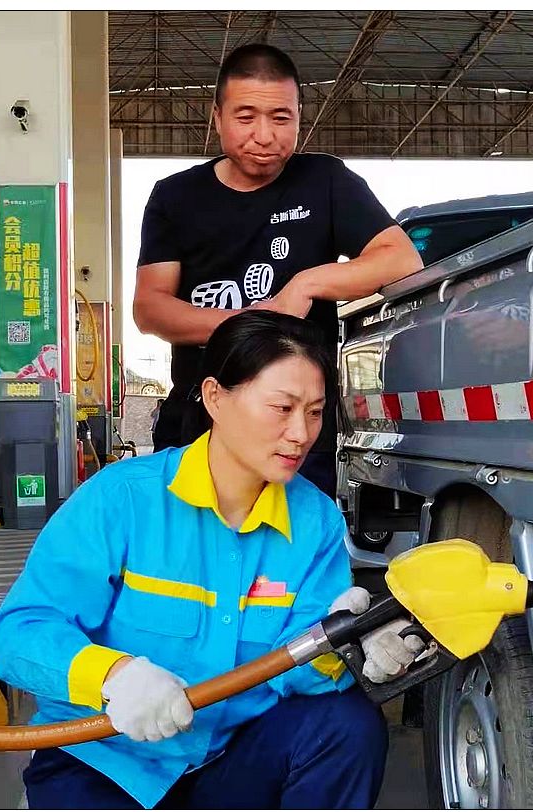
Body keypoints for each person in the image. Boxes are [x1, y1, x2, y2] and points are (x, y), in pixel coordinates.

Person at [0, 311, 424, 810]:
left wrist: (350, 647)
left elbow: (294, 666)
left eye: (315, 412)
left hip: (228, 759)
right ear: (216, 397)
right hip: (105, 757)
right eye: (282, 408)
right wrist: (114, 676)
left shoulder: (315, 521)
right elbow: (19, 634)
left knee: (347, 726)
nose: (301, 433)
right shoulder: (122, 499)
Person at [133, 43, 422, 499]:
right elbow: (150, 308)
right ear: (218, 117)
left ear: (300, 117)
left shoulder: (325, 181)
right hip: (201, 420)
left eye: (281, 118)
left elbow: (401, 258)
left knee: (294, 540)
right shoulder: (176, 197)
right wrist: (252, 322)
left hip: (298, 432)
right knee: (191, 542)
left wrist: (305, 285)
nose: (264, 136)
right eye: (246, 117)